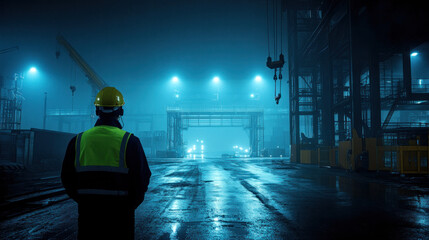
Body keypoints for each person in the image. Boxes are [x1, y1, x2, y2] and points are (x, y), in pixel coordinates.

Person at [61, 87, 151, 239]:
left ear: (97, 111)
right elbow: (142, 180)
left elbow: (67, 178)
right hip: (121, 216)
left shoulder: (78, 141)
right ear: (120, 111)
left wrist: (85, 201)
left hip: (88, 215)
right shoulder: (130, 141)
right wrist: (128, 207)